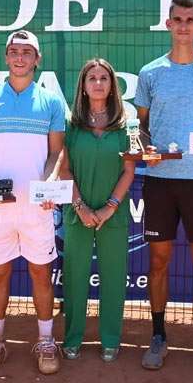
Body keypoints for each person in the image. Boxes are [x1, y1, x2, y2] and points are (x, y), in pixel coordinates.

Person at [134, 0, 193, 375]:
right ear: (168, 24)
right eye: (178, 19)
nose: (184, 25)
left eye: (191, 19)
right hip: (159, 182)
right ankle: (158, 335)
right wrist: (146, 148)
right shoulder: (150, 73)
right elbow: (140, 126)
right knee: (158, 261)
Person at [0, 30, 66, 375]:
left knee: (41, 274)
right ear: (6, 57)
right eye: (14, 51)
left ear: (37, 59)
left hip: (37, 210)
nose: (20, 58)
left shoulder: (52, 102)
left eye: (27, 52)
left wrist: (51, 184)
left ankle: (46, 341)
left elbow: (57, 151)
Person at [54, 58, 135, 362]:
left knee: (114, 277)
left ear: (112, 84)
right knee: (75, 277)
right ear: (83, 86)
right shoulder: (70, 126)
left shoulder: (126, 126)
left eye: (104, 77)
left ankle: (111, 339)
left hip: (113, 214)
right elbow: (64, 171)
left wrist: (110, 208)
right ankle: (73, 338)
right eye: (92, 78)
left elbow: (129, 171)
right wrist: (81, 207)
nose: (98, 83)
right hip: (77, 213)